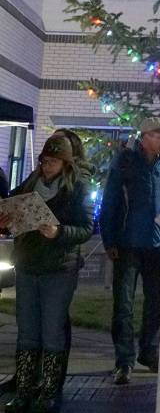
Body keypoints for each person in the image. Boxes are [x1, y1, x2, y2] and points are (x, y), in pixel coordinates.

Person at [0, 134, 93, 413]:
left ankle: (49, 391)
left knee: (52, 332)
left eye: (52, 162)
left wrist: (59, 232)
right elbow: (12, 206)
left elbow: (87, 228)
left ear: (65, 163)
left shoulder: (77, 188)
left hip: (58, 269)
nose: (47, 166)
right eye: (44, 161)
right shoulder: (30, 183)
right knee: (27, 331)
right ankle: (25, 389)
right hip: (28, 264)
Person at [100, 117, 160, 384]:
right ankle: (124, 360)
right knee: (123, 305)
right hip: (127, 243)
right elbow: (110, 199)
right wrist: (109, 238)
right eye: (159, 136)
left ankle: (149, 351)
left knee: (156, 302)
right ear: (144, 137)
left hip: (157, 246)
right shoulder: (125, 161)